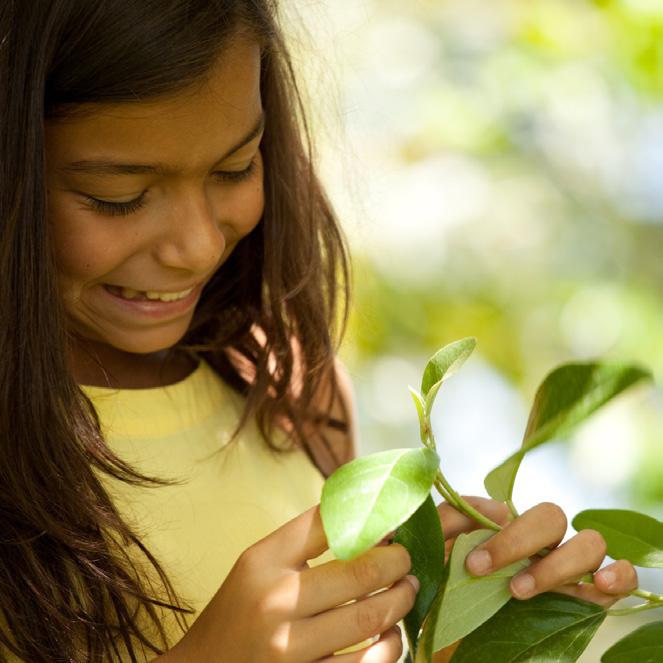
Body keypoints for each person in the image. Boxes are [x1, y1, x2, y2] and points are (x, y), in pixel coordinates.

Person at [0, 1, 638, 662]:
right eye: (117, 197)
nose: (193, 247)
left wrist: (475, 637)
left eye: (234, 168)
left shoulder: (283, 383)